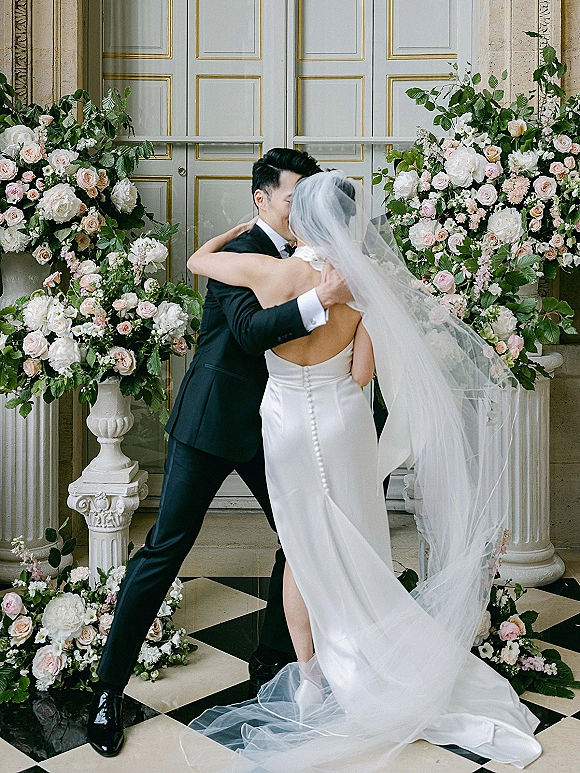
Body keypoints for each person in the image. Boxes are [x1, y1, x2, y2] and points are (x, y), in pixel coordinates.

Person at [180, 171, 542, 772]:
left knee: (300, 547)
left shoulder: (268, 273)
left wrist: (234, 234)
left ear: (300, 220)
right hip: (344, 424)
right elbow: (361, 377)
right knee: (360, 543)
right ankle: (374, 654)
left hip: (286, 422)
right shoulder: (360, 288)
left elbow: (196, 261)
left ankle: (311, 679)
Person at [86, 149, 353, 758]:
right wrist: (326, 298)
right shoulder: (235, 256)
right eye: (294, 199)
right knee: (165, 548)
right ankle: (108, 690)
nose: (304, 211)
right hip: (209, 423)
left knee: (299, 539)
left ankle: (271, 666)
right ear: (262, 199)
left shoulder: (313, 258)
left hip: (273, 425)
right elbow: (250, 333)